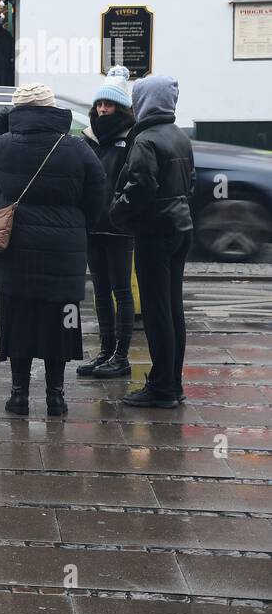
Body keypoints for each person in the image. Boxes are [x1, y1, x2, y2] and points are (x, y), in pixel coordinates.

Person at [0, 84, 106, 417]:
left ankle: (18, 395)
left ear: (18, 112)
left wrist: (2, 120)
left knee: (17, 318)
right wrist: (80, 226)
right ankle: (56, 397)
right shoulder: (76, 148)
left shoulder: (7, 145)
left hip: (15, 247)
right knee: (58, 323)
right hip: (64, 251)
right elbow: (97, 191)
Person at [110, 74, 195, 409]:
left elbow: (140, 188)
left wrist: (117, 214)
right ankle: (173, 383)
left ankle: (161, 388)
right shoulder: (178, 135)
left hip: (155, 231)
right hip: (180, 227)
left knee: (157, 312)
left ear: (145, 101)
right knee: (173, 309)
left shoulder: (145, 140)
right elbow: (190, 184)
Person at [77, 70, 136, 380]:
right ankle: (105, 351)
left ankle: (121, 356)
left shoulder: (132, 137)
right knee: (100, 292)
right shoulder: (87, 138)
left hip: (118, 226)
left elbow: (133, 182)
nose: (102, 109)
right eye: (100, 104)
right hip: (92, 225)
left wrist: (118, 210)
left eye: (109, 105)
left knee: (121, 291)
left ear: (120, 108)